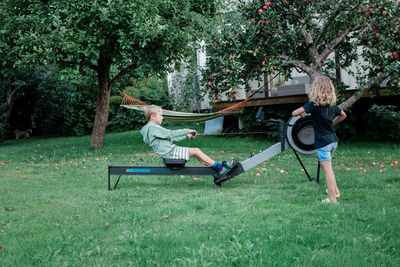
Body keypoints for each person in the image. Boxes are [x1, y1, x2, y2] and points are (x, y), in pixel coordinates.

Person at [292, 76, 347, 204]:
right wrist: (332, 123)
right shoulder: (333, 106)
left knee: (327, 169)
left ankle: (332, 199)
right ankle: (336, 191)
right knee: (327, 166)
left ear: (316, 89)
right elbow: (343, 115)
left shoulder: (313, 105)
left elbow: (294, 113)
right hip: (333, 140)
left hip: (323, 142)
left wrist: (302, 113)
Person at [140, 105, 234, 177]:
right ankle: (220, 168)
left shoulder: (151, 128)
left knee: (196, 153)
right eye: (160, 115)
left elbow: (171, 138)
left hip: (170, 151)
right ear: (152, 116)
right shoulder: (153, 128)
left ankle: (219, 168)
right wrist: (187, 130)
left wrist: (186, 135)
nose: (162, 117)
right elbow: (171, 134)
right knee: (196, 151)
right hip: (170, 153)